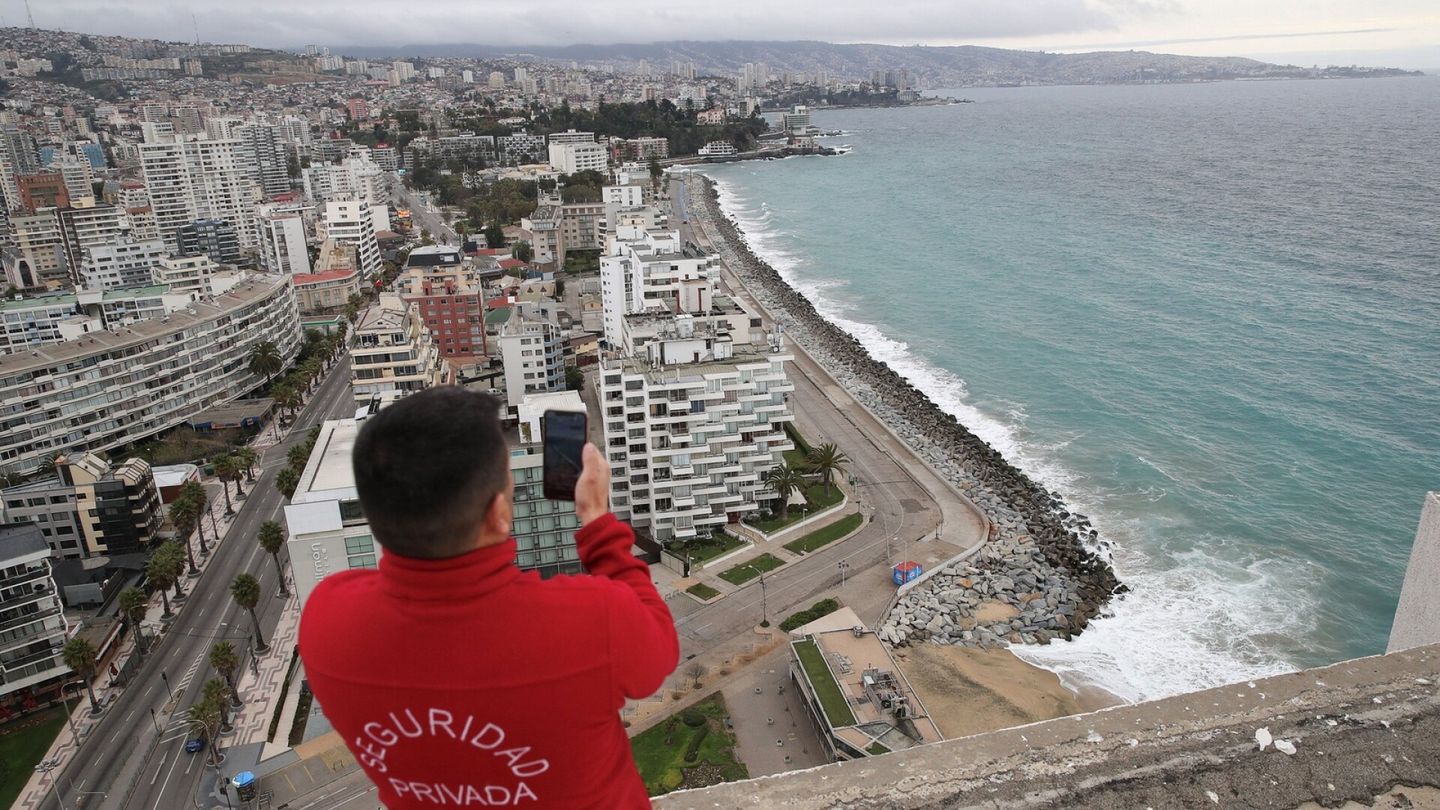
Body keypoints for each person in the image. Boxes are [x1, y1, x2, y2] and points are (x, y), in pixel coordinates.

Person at [299, 388, 679, 808]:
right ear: (499, 514)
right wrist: (597, 522)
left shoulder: (326, 623)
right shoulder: (589, 620)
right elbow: (657, 651)